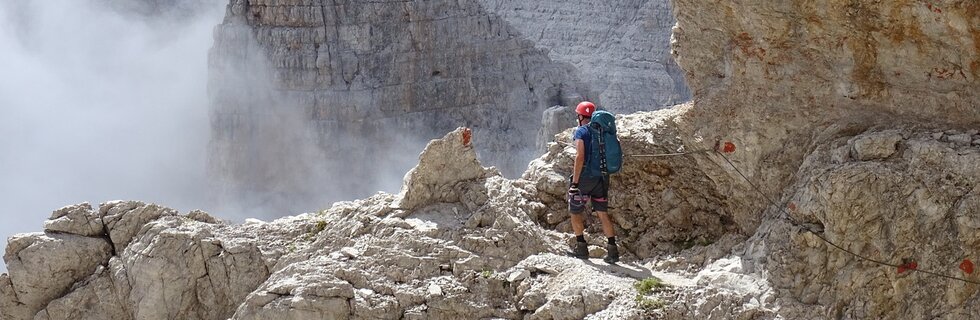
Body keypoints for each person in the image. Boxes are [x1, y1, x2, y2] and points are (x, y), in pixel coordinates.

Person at [568, 101, 618, 263]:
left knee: (575, 211)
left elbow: (580, 157)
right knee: (602, 213)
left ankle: (581, 247)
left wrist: (575, 183)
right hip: (602, 177)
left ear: (581, 116)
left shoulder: (581, 131)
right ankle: (612, 251)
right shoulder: (603, 131)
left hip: (585, 178)